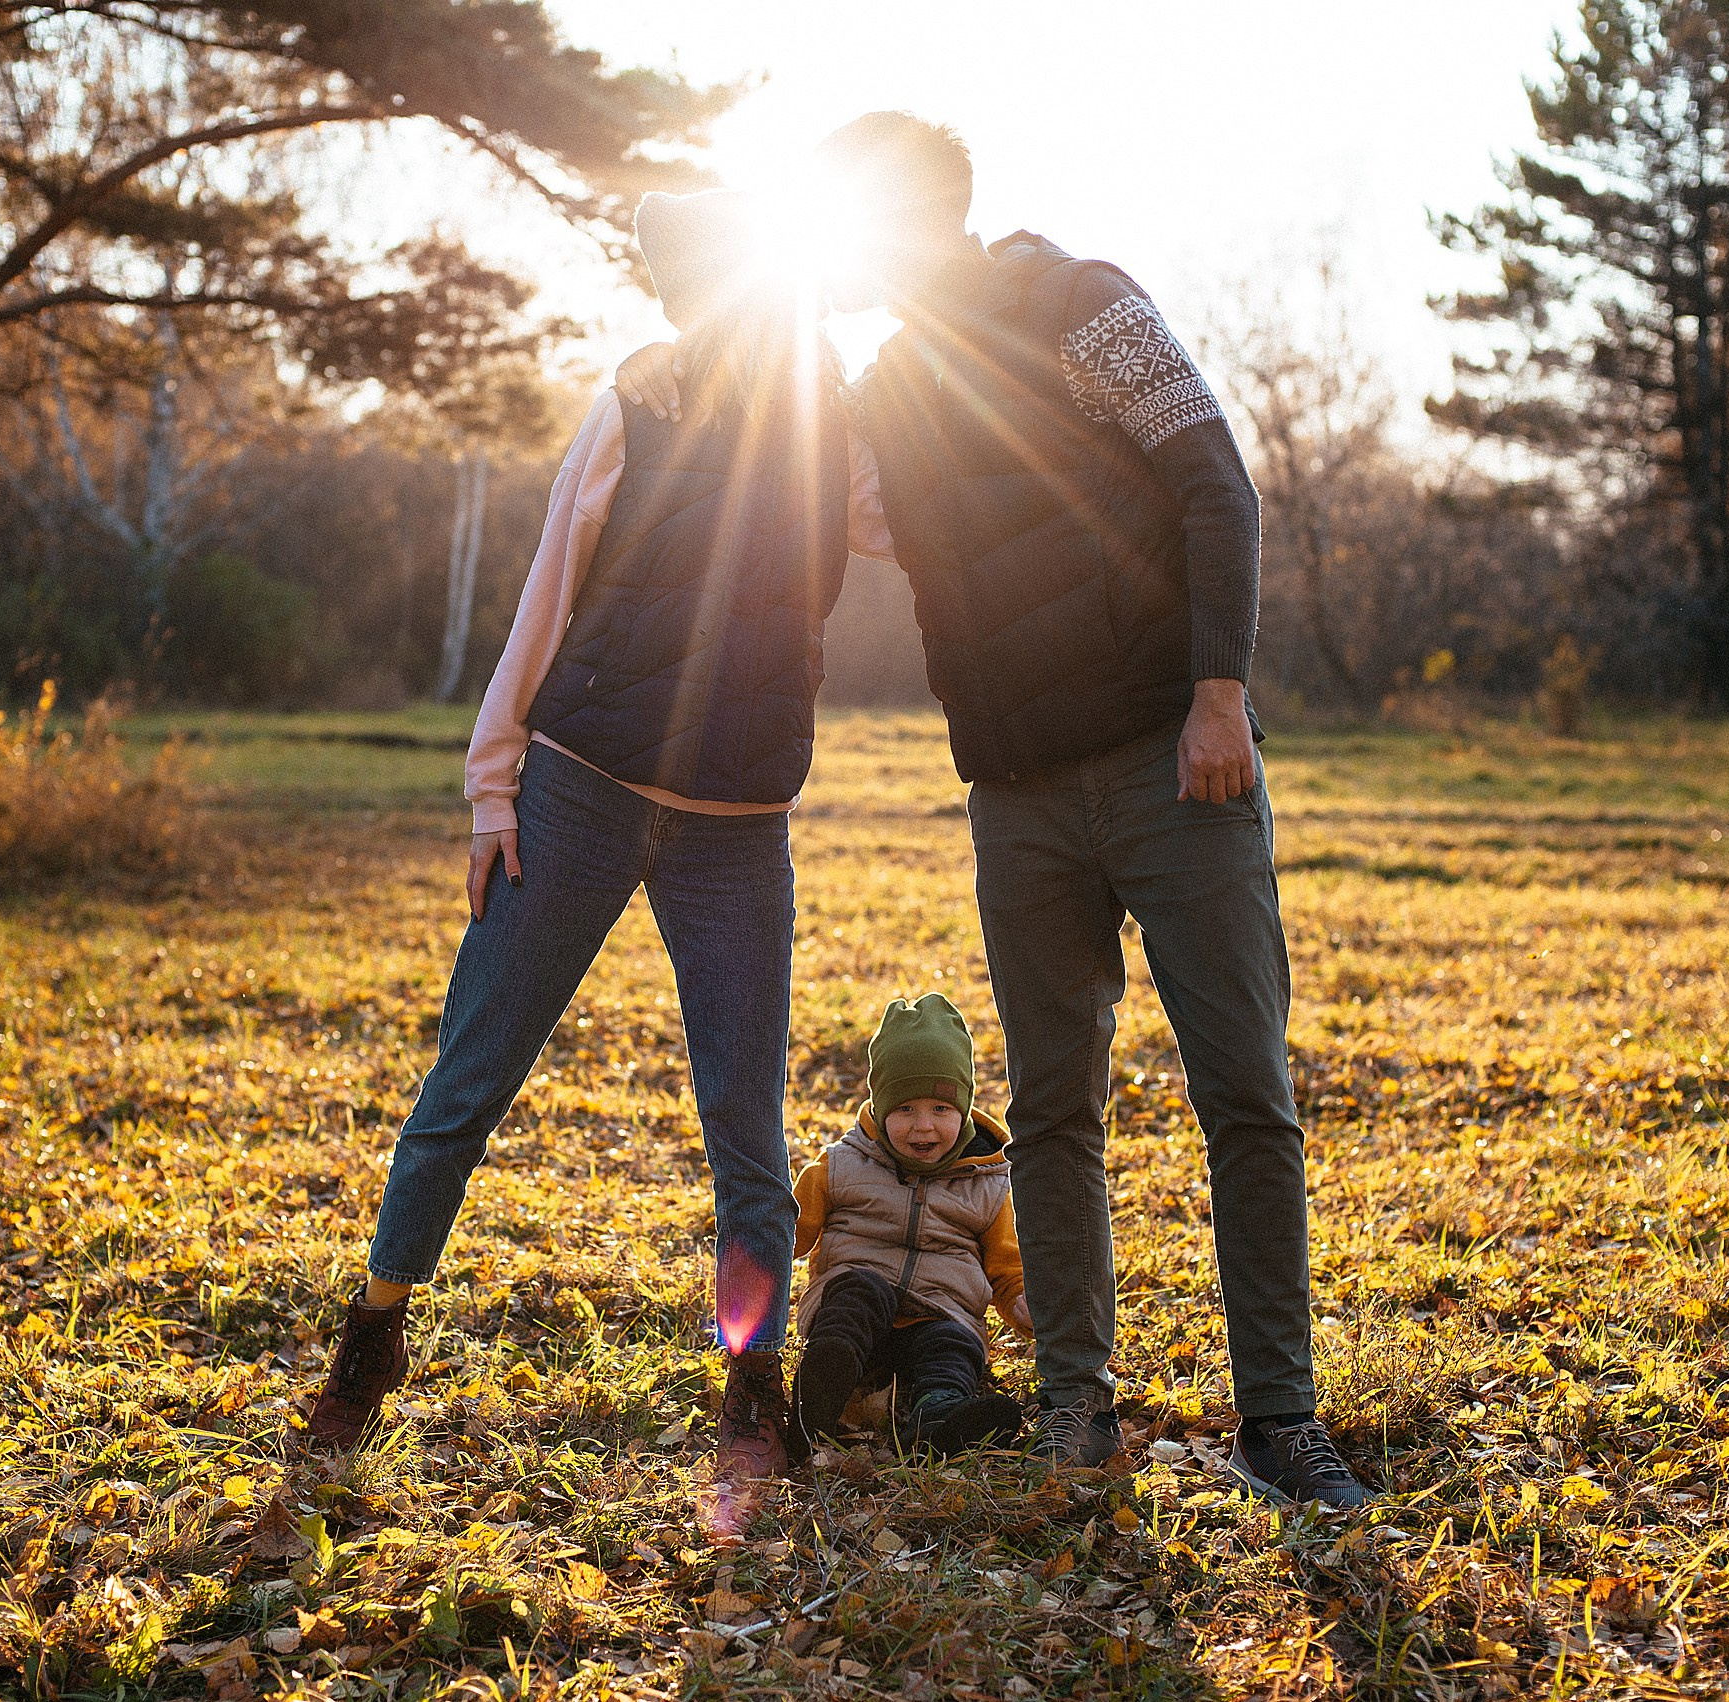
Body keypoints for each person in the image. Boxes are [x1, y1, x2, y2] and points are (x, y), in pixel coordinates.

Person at [617, 115, 1375, 1507]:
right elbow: (788, 463)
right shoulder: (887, 390)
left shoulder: (1082, 303)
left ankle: (1279, 1416)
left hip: (1172, 759)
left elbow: (1216, 484)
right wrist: (678, 356)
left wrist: (1218, 693)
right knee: (1050, 1112)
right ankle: (1074, 1403)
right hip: (1016, 798)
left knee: (1243, 1097)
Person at [305, 189, 891, 1489]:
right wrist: (492, 787)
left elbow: (912, 533)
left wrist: (911, 398)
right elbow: (545, 594)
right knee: (469, 1077)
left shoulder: (835, 438)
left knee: (744, 1116)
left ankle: (750, 1387)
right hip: (577, 788)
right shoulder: (638, 402)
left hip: (738, 825)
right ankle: (370, 1338)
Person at [790, 993, 1030, 1454]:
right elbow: (792, 1233)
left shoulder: (989, 1184)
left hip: (942, 1311)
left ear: (964, 1110)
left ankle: (940, 1419)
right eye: (905, 1110)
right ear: (879, 1109)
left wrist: (1022, 1303)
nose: (923, 1127)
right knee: (861, 1291)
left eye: (940, 1110)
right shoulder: (841, 1165)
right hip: (855, 1310)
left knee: (953, 1344)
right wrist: (760, 1250)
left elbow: (1006, 1265)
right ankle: (819, 1392)